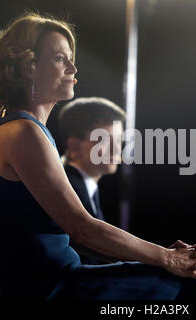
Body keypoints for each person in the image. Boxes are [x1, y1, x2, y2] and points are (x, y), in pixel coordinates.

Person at [0, 12, 196, 299]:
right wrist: (166, 257)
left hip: (59, 282)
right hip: (47, 289)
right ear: (27, 67)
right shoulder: (22, 132)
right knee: (182, 285)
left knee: (174, 280)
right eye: (59, 58)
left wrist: (164, 257)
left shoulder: (29, 129)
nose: (73, 67)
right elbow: (82, 229)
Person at [58, 97, 125, 265]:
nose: (116, 149)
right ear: (74, 146)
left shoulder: (85, 186)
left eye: (118, 140)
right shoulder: (67, 187)